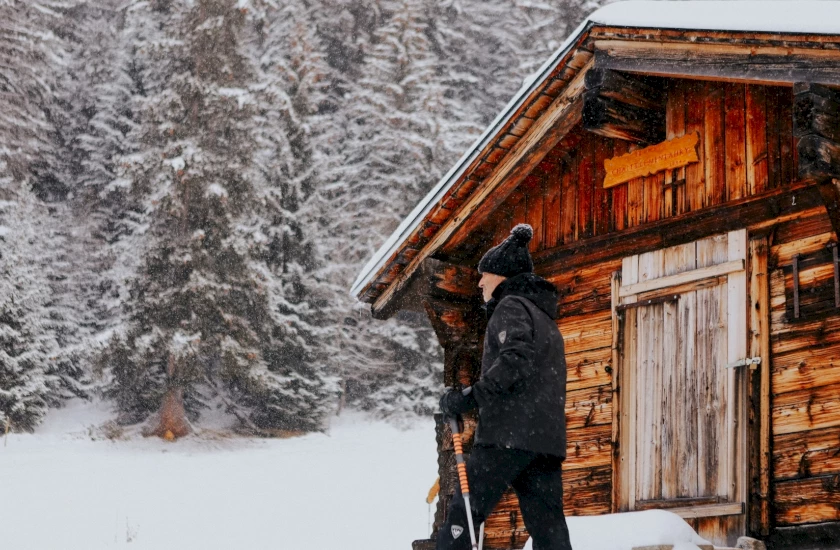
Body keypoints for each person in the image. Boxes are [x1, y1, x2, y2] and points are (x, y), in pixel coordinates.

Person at [436, 223, 571, 550]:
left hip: (506, 435)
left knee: (465, 514)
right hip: (544, 442)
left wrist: (469, 397)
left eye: (486, 274)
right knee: (548, 530)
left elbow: (514, 361)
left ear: (503, 276)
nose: (480, 281)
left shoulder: (510, 306)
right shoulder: (547, 322)